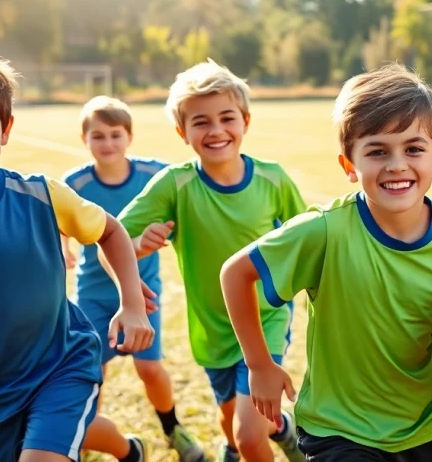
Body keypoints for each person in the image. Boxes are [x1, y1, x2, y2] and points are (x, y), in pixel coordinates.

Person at [220, 63, 432, 461]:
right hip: (337, 427)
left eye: (413, 149)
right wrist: (259, 365)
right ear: (349, 165)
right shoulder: (323, 231)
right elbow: (235, 274)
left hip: (424, 424)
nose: (396, 164)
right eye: (377, 151)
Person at [0, 35, 154, 461]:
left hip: (60, 366)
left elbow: (111, 231)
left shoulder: (42, 196)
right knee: (68, 431)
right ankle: (128, 451)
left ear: (5, 130)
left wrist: (131, 304)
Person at [119, 60, 307, 462]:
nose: (216, 130)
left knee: (248, 435)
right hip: (212, 330)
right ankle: (283, 429)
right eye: (201, 122)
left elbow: (310, 241)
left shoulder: (273, 179)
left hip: (266, 320)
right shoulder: (175, 184)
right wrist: (136, 246)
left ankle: (268, 432)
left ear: (245, 121)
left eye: (227, 118)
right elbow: (111, 238)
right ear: (182, 132)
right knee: (233, 424)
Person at [63, 96, 205, 462]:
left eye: (115, 134)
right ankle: (87, 435)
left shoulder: (153, 174)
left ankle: (173, 428)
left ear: (129, 137)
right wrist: (64, 247)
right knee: (91, 369)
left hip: (142, 292)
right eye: (98, 136)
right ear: (84, 139)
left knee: (149, 367)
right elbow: (60, 218)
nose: (107, 143)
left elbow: (188, 189)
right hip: (93, 293)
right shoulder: (75, 182)